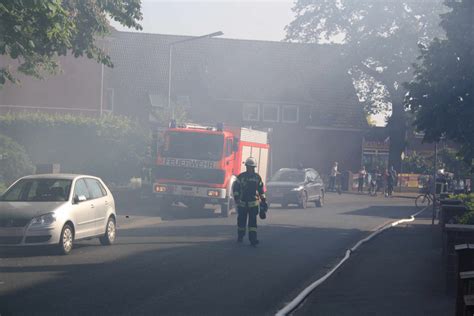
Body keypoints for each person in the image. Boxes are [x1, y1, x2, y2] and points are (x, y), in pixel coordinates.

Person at [232, 157, 267, 246]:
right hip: (243, 204)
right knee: (241, 222)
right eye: (248, 167)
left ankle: (253, 239)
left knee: (252, 224)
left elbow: (261, 190)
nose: (250, 168)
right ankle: (240, 236)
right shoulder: (241, 177)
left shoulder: (257, 177)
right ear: (246, 166)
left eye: (251, 167)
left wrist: (263, 200)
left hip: (253, 204)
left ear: (254, 167)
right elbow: (236, 188)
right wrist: (236, 197)